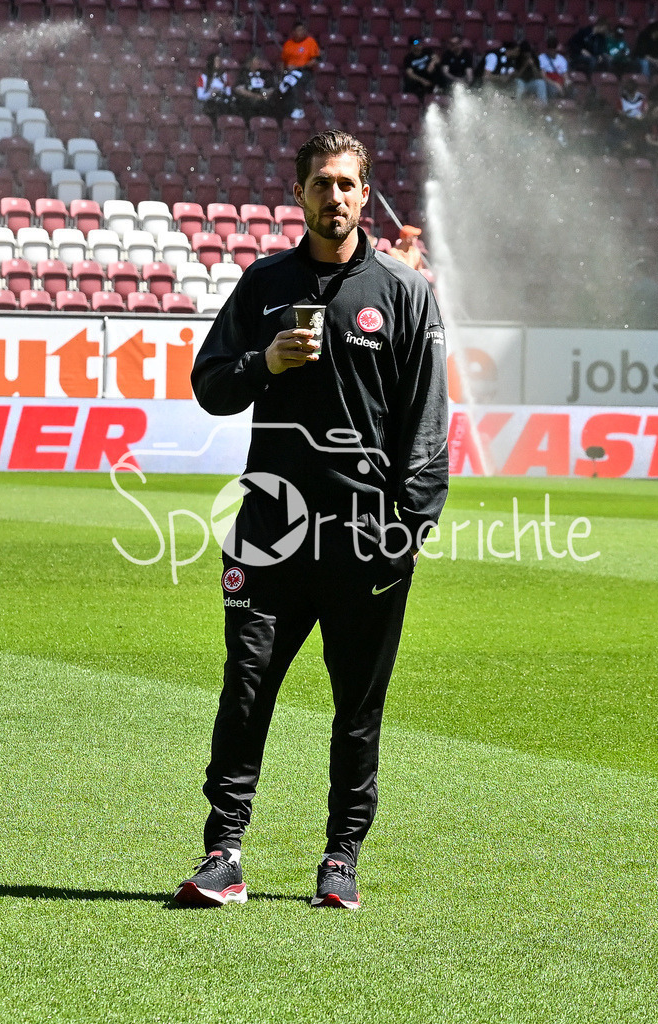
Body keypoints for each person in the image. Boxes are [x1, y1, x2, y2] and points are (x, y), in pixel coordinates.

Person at [175, 129, 449, 911]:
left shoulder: (404, 293)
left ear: (365, 194)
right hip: (269, 534)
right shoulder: (264, 284)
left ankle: (340, 857)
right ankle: (224, 852)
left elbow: (428, 427)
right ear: (298, 194)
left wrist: (407, 529)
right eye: (321, 183)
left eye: (347, 183)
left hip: (365, 541)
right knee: (245, 692)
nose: (335, 196)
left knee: (357, 710)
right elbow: (209, 386)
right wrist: (266, 361)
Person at [280, 20, 320, 119]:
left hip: (304, 71)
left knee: (294, 83)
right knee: (283, 86)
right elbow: (282, 62)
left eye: (303, 30)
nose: (302, 32)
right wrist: (283, 72)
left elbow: (314, 61)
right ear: (293, 32)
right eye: (299, 30)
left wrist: (298, 67)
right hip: (289, 72)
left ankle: (298, 108)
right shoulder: (288, 44)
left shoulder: (310, 42)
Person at [514, 40, 548, 105]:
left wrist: (533, 66)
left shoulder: (535, 58)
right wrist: (525, 65)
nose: (527, 54)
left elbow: (538, 76)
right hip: (522, 82)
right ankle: (517, 103)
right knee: (518, 82)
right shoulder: (518, 58)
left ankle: (543, 104)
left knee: (541, 83)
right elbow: (517, 75)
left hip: (531, 82)